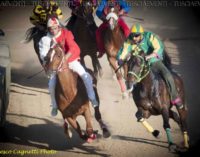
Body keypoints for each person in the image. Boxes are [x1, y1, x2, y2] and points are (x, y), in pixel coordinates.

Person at [39, 17, 99, 116]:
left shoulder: (66, 33)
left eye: (55, 28)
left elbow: (72, 48)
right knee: (51, 85)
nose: (53, 31)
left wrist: (64, 60)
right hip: (56, 65)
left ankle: (92, 98)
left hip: (71, 61)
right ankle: (54, 106)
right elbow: (43, 54)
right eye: (51, 29)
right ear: (48, 29)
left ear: (58, 27)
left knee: (86, 77)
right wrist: (47, 59)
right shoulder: (45, 39)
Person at [117, 23, 183, 109]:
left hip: (153, 61)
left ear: (141, 35)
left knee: (167, 74)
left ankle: (175, 97)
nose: (134, 38)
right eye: (132, 35)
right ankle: (137, 101)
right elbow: (124, 50)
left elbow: (159, 47)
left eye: (136, 36)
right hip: (139, 64)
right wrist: (120, 59)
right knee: (131, 76)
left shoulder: (149, 36)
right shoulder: (129, 40)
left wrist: (150, 56)